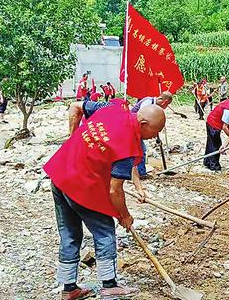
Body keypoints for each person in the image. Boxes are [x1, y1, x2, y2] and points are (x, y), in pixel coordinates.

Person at [44, 98, 165, 300]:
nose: (155, 136)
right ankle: (109, 285)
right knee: (105, 232)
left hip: (60, 172)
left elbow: (75, 107)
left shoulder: (112, 108)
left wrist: (72, 142)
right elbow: (114, 191)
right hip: (81, 185)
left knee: (69, 233)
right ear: (143, 124)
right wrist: (124, 216)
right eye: (155, 131)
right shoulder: (128, 146)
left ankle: (69, 288)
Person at [131, 92, 174, 176]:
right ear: (164, 102)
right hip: (133, 128)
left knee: (140, 150)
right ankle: (140, 173)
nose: (166, 107)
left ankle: (138, 172)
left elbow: (152, 124)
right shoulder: (147, 103)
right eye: (167, 104)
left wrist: (156, 135)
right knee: (140, 150)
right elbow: (143, 120)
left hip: (138, 128)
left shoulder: (154, 105)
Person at [204, 98, 229, 171]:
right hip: (213, 124)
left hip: (212, 121)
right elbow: (225, 127)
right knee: (215, 144)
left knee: (211, 143)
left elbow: (226, 124)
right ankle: (213, 165)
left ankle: (207, 161)